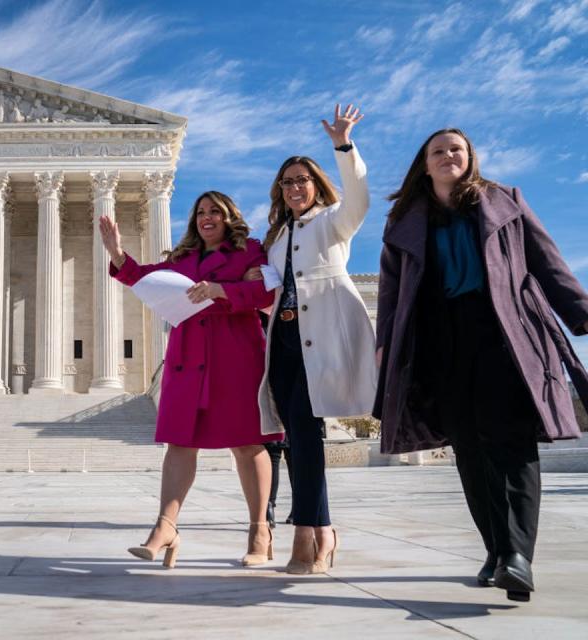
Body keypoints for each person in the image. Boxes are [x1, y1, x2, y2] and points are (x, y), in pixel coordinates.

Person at [374, 128, 588, 602]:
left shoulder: (505, 201)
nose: (448, 155)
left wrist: (581, 313)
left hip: (505, 334)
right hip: (437, 341)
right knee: (468, 450)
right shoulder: (405, 219)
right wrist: (385, 344)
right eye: (438, 151)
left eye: (456, 149)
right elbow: (391, 290)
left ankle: (517, 556)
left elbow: (548, 262)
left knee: (510, 443)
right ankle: (496, 550)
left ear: (470, 158)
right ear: (424, 165)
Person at [99, 191, 281, 569]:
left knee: (248, 444)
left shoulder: (249, 251)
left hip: (236, 356)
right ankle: (165, 528)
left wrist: (222, 290)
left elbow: (266, 292)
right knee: (180, 443)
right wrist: (117, 253)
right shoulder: (182, 259)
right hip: (188, 357)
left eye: (214, 211)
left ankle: (259, 531)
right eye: (200, 212)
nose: (206, 218)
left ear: (229, 216)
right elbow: (143, 279)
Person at [248, 103, 376, 574]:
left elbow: (360, 197)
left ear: (316, 184)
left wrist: (344, 145)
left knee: (305, 431)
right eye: (288, 182)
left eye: (303, 179)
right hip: (281, 341)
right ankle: (322, 530)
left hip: (320, 335)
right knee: (298, 434)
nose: (295, 187)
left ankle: (306, 534)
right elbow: (266, 287)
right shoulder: (278, 235)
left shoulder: (333, 221)